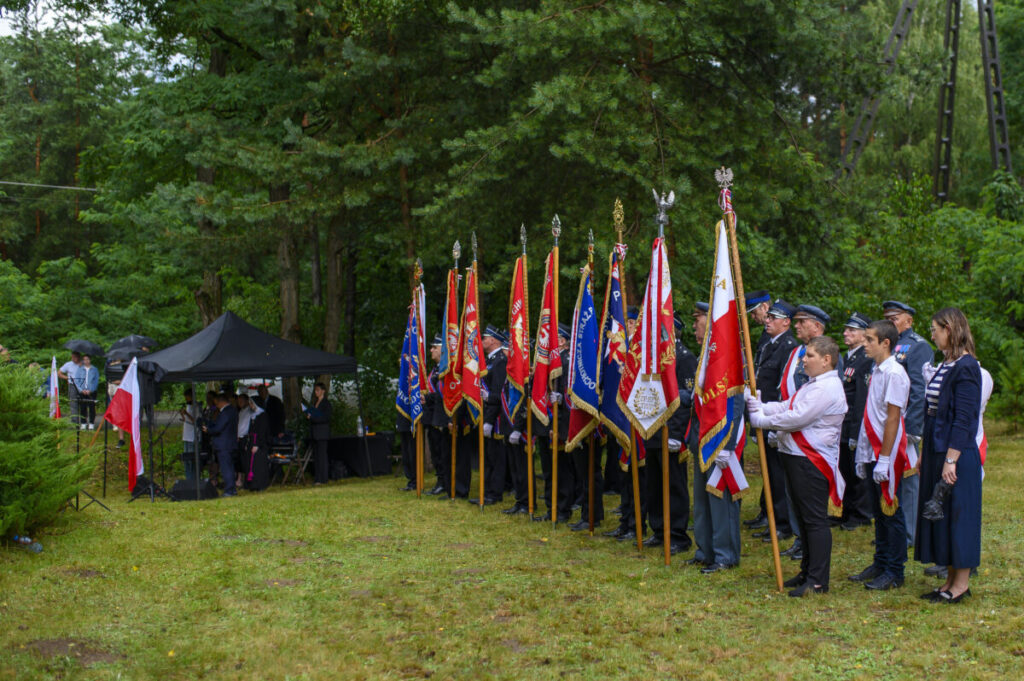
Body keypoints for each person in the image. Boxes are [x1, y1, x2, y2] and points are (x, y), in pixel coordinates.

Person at [747, 335, 848, 597]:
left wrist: (762, 420)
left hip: (811, 461)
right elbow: (788, 405)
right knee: (803, 519)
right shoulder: (814, 384)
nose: (804, 360)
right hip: (797, 457)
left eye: (810, 356)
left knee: (814, 521)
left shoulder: (827, 387)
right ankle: (807, 571)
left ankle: (817, 581)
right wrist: (764, 407)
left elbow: (798, 418)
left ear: (826, 360)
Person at [915, 307, 982, 604]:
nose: (932, 335)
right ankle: (949, 580)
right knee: (942, 516)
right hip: (936, 446)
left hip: (956, 451)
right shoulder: (946, 363)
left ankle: (961, 585)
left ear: (950, 329)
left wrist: (951, 459)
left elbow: (965, 418)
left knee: (959, 516)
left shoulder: (967, 366)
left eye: (935, 329)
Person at [848, 319, 911, 591]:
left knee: (891, 511)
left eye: (870, 340)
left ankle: (895, 571)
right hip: (873, 448)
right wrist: (864, 453)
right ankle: (881, 561)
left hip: (888, 450)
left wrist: (884, 457)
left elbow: (892, 419)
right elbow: (871, 414)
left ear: (886, 343)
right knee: (878, 510)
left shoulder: (895, 373)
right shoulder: (877, 370)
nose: (865, 344)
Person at [688, 302, 742, 573]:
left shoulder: (729, 356)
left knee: (720, 499)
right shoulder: (705, 355)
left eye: (699, 319)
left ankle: (725, 555)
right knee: (701, 499)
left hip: (720, 439)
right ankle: (705, 550)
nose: (695, 324)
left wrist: (728, 445)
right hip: (702, 437)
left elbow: (735, 402)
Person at [882, 300, 933, 550]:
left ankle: (910, 532)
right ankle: (892, 525)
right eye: (887, 318)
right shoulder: (886, 345)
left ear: (909, 321)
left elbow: (919, 391)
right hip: (886, 423)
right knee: (890, 475)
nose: (890, 321)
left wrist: (913, 428)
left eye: (895, 318)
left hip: (905, 425)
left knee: (908, 478)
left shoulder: (918, 347)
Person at [641, 313, 694, 553]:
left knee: (673, 485)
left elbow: (686, 401)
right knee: (653, 484)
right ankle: (658, 529)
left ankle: (677, 534)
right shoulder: (652, 360)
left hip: (672, 434)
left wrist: (676, 434)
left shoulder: (684, 358)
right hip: (652, 429)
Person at [748, 300, 798, 542]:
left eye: (772, 318)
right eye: (767, 317)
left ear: (786, 322)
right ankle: (770, 515)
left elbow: (783, 387)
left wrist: (775, 423)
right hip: (764, 413)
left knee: (777, 472)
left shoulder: (788, 346)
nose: (766, 320)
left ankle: (782, 522)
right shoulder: (770, 343)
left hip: (774, 416)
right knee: (769, 469)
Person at [839, 312, 875, 530]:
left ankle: (861, 514)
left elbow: (861, 397)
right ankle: (847, 510)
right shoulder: (849, 357)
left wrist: (855, 431)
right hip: (843, 422)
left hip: (854, 422)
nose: (846, 333)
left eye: (852, 330)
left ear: (864, 335)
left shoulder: (864, 359)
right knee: (845, 468)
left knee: (856, 471)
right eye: (846, 329)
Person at [477, 325, 509, 505]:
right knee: (489, 455)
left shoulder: (499, 361)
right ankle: (487, 489)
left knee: (496, 457)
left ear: (493, 340)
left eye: (484, 338)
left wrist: (489, 420)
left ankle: (495, 493)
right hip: (488, 414)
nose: (482, 341)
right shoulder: (490, 360)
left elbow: (498, 393)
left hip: (495, 417)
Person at [423, 335, 449, 496]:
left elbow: (444, 394)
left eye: (434, 347)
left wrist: (426, 397)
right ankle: (440, 480)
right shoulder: (434, 370)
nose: (431, 350)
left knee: (441, 451)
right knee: (435, 451)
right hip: (432, 416)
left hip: (441, 416)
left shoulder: (444, 369)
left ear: (442, 349)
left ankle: (444, 482)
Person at [204, 393, 239, 497]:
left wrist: (208, 430)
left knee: (226, 468)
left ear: (221, 402)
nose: (216, 406)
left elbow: (219, 428)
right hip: (230, 443)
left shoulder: (225, 413)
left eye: (217, 403)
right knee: (229, 466)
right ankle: (231, 488)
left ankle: (229, 490)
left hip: (224, 444)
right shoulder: (233, 411)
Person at [307, 382, 333, 486]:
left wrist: (313, 417)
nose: (316, 392)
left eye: (318, 390)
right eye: (315, 390)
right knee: (316, 456)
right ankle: (317, 477)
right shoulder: (315, 403)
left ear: (323, 391)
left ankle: (323, 478)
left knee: (322, 455)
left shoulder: (326, 404)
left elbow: (325, 418)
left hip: (322, 432)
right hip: (315, 432)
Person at [244, 394, 271, 491]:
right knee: (251, 463)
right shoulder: (253, 416)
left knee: (258, 465)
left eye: (252, 403)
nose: (250, 405)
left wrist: (257, 444)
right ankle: (252, 484)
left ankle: (259, 484)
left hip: (259, 443)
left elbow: (262, 431)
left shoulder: (263, 415)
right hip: (252, 441)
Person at [180, 387, 202, 480]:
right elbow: (186, 420)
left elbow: (196, 421)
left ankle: (193, 478)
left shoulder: (196, 406)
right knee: (186, 459)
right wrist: (183, 414)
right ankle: (188, 478)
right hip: (186, 436)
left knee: (192, 459)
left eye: (187, 397)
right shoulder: (188, 406)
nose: (186, 399)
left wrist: (187, 414)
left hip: (193, 436)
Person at [74, 354, 100, 430]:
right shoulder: (80, 369)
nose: (86, 361)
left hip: (91, 391)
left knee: (92, 407)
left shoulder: (94, 369)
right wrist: (81, 390)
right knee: (83, 407)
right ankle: (83, 423)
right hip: (82, 391)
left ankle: (91, 423)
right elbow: (77, 380)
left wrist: (91, 390)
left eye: (87, 359)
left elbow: (96, 381)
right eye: (84, 360)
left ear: (90, 360)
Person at [59, 351, 82, 426]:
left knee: (83, 402)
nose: (73, 359)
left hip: (82, 384)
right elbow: (59, 373)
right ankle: (74, 420)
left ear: (78, 357)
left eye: (75, 357)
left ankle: (83, 419)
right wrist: (67, 378)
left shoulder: (83, 364)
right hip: (72, 385)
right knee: (73, 401)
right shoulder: (68, 364)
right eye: (72, 357)